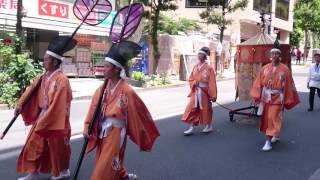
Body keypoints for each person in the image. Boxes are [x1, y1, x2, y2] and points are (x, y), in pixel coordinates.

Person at [83, 41, 160, 180]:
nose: (103, 69)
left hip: (117, 134)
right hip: (102, 131)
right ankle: (123, 175)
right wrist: (87, 126)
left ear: (116, 69)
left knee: (103, 169)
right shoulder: (101, 90)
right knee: (105, 161)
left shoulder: (127, 91)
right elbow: (93, 110)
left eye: (107, 66)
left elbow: (139, 113)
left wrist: (144, 132)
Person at [15, 36, 76, 180]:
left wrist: (48, 118)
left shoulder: (62, 80)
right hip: (42, 116)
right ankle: (33, 172)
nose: (44, 62)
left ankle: (63, 171)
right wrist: (20, 104)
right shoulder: (42, 77)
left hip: (56, 119)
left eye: (46, 60)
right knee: (32, 145)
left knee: (58, 148)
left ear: (55, 62)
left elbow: (61, 103)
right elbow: (30, 91)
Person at [250, 40, 300, 152]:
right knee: (269, 117)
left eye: (276, 53)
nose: (274, 56)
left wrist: (288, 98)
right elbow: (258, 82)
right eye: (272, 53)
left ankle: (268, 141)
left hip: (278, 97)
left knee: (272, 117)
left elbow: (289, 84)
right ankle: (275, 134)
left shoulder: (285, 69)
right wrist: (257, 95)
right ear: (270, 55)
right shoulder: (265, 68)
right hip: (266, 96)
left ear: (280, 55)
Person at [182, 47, 217, 135]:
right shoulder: (195, 67)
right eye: (199, 54)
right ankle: (191, 127)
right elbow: (191, 79)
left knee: (206, 109)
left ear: (205, 56)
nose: (199, 56)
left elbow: (212, 82)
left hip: (204, 92)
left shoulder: (209, 68)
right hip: (196, 90)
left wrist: (213, 95)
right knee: (192, 108)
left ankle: (208, 126)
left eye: (201, 54)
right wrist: (194, 83)